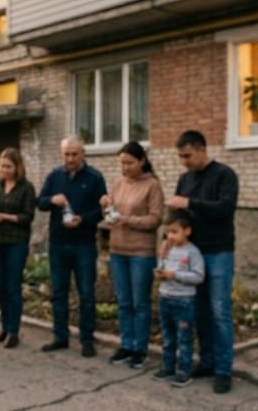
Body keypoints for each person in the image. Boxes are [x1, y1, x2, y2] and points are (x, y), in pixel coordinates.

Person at [166, 130, 239, 394]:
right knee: (199, 310)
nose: (184, 161)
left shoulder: (224, 174)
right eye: (180, 157)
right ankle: (206, 361)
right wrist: (168, 240)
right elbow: (176, 216)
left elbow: (225, 208)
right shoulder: (184, 179)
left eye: (187, 156)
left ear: (201, 150)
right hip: (191, 253)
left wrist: (190, 202)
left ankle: (223, 370)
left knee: (219, 312)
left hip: (218, 252)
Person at [36, 135, 107, 357]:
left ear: (83, 153)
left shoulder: (95, 177)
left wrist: (83, 219)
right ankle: (60, 337)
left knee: (86, 294)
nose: (70, 158)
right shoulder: (55, 176)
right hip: (58, 244)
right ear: (61, 154)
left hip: (84, 245)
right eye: (66, 154)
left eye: (74, 154)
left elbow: (101, 210)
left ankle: (87, 340)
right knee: (59, 293)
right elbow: (40, 202)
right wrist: (51, 201)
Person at [99, 142, 164, 369]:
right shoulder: (118, 183)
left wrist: (127, 220)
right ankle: (126, 345)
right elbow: (110, 217)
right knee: (123, 302)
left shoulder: (152, 185)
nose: (125, 167)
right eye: (122, 163)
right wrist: (105, 206)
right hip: (118, 250)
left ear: (142, 161)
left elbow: (155, 219)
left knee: (140, 303)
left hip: (141, 253)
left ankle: (140, 349)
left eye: (129, 163)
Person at [0, 147, 35, 349]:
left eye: (8, 166)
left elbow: (27, 217)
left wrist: (4, 216)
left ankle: (14, 331)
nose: (4, 170)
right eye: (1, 166)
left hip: (16, 242)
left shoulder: (26, 188)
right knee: (2, 287)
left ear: (17, 167)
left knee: (13, 287)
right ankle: (4, 327)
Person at [153, 210, 205, 388]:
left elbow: (198, 276)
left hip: (183, 301)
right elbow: (162, 266)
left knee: (184, 338)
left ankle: (184, 371)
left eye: (175, 232)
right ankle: (168, 366)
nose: (170, 236)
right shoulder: (167, 249)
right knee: (168, 336)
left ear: (187, 231)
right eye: (167, 232)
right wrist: (160, 272)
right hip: (165, 297)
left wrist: (175, 275)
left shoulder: (193, 252)